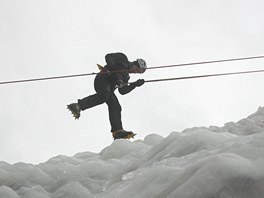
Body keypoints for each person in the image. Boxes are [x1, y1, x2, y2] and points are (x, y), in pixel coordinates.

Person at [67, 52, 147, 140]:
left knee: (116, 106)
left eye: (137, 73)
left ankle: (117, 131)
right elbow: (109, 57)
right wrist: (114, 70)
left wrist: (135, 84)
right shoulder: (123, 59)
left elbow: (122, 91)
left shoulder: (126, 77)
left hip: (109, 88)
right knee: (104, 96)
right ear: (135, 64)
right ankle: (78, 105)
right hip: (103, 79)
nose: (135, 72)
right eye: (136, 70)